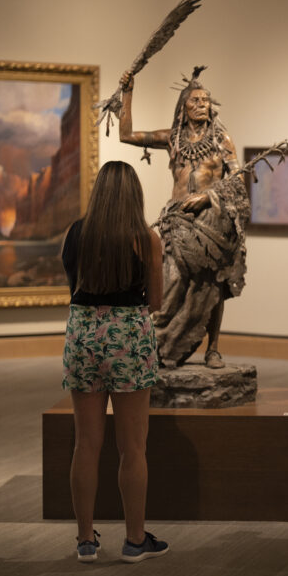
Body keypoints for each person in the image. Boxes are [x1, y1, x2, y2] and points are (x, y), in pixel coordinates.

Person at [60, 161, 169, 563]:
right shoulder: (146, 239)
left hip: (83, 334)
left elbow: (73, 286)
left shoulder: (75, 234)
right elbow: (155, 302)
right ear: (134, 196)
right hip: (128, 339)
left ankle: (85, 540)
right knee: (132, 447)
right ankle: (135, 540)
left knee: (86, 443)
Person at [118, 67, 246, 369]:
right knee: (171, 281)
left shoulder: (222, 139)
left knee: (215, 286)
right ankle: (162, 343)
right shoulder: (171, 138)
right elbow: (126, 135)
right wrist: (128, 93)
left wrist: (208, 196)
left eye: (206, 100)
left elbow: (237, 179)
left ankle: (212, 348)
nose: (202, 104)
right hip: (177, 223)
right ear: (183, 107)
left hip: (213, 222)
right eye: (195, 100)